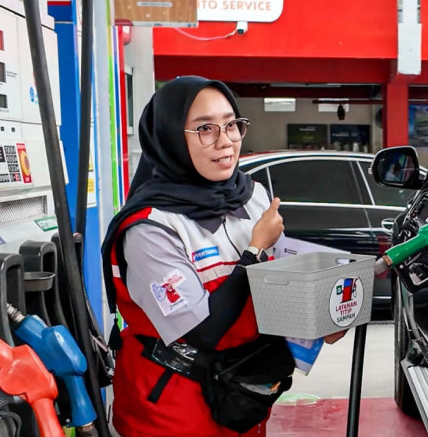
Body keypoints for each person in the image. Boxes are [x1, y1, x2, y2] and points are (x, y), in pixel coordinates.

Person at [101, 76, 343, 437]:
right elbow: (202, 330)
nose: (225, 141)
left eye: (232, 124)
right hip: (173, 405)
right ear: (169, 136)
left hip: (241, 393)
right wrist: (254, 250)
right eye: (205, 129)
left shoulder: (253, 195)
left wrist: (318, 317)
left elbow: (272, 289)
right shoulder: (149, 228)